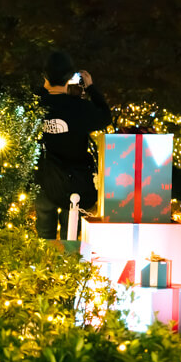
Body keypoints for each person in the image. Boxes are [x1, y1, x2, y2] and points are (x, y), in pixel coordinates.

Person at [34, 50, 113, 240]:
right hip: (75, 182)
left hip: (45, 179)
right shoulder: (80, 107)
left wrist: (44, 88)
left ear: (45, 76)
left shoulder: (36, 105)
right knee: (70, 237)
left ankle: (45, 267)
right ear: (71, 77)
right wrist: (91, 88)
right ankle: (67, 267)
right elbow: (105, 117)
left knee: (45, 238)